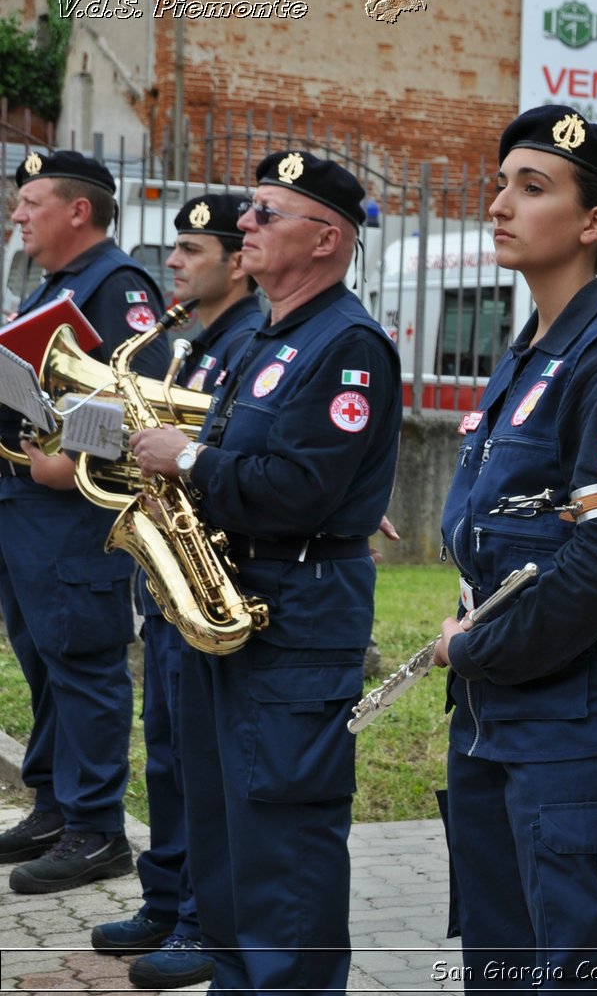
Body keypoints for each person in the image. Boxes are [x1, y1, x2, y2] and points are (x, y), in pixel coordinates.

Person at [128, 151, 401, 995]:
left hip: (298, 619)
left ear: (325, 239)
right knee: (225, 831)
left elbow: (294, 490)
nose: (243, 224)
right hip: (239, 607)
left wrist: (190, 458)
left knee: (283, 839)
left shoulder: (348, 344)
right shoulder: (277, 332)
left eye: (264, 212)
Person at [432, 105, 597, 991]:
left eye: (531, 188)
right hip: (499, 720)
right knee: (497, 968)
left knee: (578, 975)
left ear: (593, 222)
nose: (499, 203)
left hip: (574, 730)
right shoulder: (530, 350)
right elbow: (531, 541)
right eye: (501, 184)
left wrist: (475, 644)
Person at [89, 193, 262, 989]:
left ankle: (202, 916)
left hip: (212, 571)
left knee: (199, 760)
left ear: (237, 259)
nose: (175, 262)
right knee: (166, 753)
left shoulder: (253, 339)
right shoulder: (192, 342)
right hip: (168, 576)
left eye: (193, 249)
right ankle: (168, 899)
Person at [0, 150, 171, 894]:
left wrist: (73, 461)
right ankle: (54, 803)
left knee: (83, 658)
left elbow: (143, 386)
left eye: (31, 201)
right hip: (23, 504)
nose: (17, 215)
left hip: (72, 509)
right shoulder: (52, 285)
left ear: (78, 210)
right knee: (43, 661)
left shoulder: (118, 285)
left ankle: (97, 827)